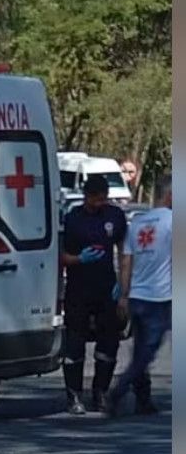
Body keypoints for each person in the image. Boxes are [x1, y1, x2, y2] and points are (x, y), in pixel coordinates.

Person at [59, 174, 128, 414]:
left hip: (106, 288)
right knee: (75, 345)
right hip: (78, 289)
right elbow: (60, 256)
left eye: (103, 199)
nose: (100, 204)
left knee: (109, 344)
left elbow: (124, 251)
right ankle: (74, 395)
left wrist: (123, 285)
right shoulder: (73, 219)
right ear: (86, 196)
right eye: (96, 199)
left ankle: (100, 392)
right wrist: (79, 259)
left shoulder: (114, 216)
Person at [105, 174, 171, 416]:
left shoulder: (139, 223)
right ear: (171, 195)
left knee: (141, 347)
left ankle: (144, 399)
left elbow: (125, 262)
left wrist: (123, 295)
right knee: (146, 352)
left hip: (137, 297)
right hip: (159, 297)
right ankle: (118, 391)